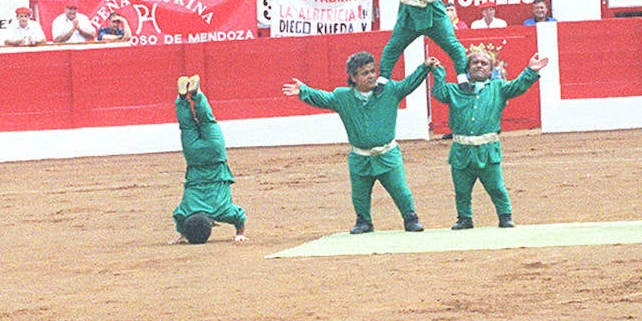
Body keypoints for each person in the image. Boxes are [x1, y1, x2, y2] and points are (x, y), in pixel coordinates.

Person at [282, 51, 436, 234]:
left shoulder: (389, 90)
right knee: (360, 194)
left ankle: (410, 218)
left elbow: (408, 85)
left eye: (372, 71)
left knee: (400, 190)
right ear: (353, 78)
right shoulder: (343, 97)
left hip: (387, 154)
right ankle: (363, 221)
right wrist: (304, 91)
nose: (371, 76)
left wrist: (424, 67)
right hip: (360, 157)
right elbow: (323, 98)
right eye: (365, 73)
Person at [429, 45, 548, 229]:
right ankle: (464, 219)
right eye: (475, 62)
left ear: (491, 70)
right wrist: (437, 72)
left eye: (484, 63)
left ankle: (505, 216)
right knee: (462, 190)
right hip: (462, 150)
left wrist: (530, 71)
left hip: (487, 149)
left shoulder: (498, 87)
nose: (479, 66)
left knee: (496, 188)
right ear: (467, 69)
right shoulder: (455, 90)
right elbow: (438, 93)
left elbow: (517, 86)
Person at [171, 75, 248, 244]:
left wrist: (239, 233)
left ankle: (197, 94)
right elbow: (178, 218)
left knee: (207, 121)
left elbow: (240, 217)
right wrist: (183, 235)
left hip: (215, 155)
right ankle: (183, 98)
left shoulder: (223, 211)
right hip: (194, 158)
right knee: (187, 126)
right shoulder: (185, 212)